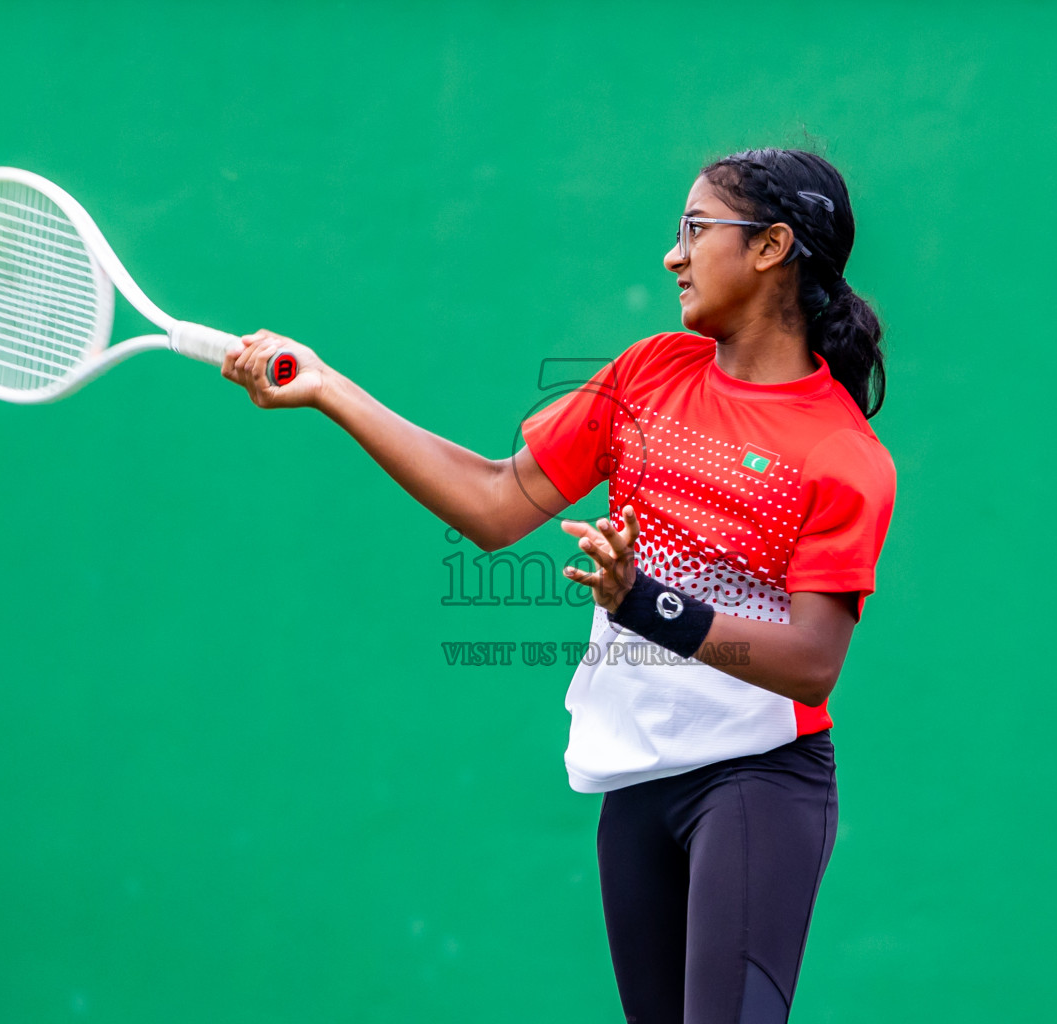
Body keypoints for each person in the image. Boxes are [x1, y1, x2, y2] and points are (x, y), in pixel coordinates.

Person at [222, 147, 896, 1024]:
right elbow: (497, 504)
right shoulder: (650, 373)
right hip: (637, 781)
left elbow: (813, 663)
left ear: (771, 248)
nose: (673, 254)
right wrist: (329, 389)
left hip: (758, 784)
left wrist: (643, 602)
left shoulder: (842, 454)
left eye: (696, 229)